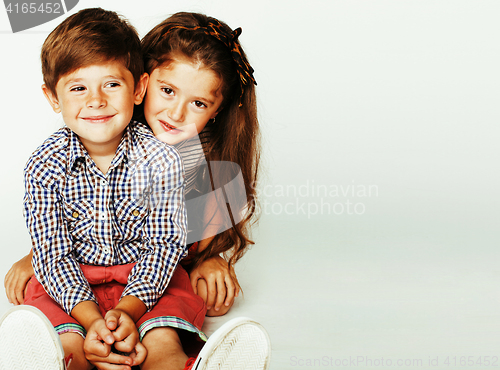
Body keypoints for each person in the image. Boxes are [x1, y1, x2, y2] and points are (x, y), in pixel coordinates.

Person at [2, 9, 269, 370]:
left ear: (218, 111)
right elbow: (58, 242)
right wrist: (35, 257)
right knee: (63, 333)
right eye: (168, 90)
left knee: (162, 333)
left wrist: (211, 257)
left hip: (148, 281)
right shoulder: (72, 146)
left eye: (199, 103)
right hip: (78, 278)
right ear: (144, 83)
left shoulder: (211, 177)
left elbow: (169, 248)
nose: (175, 113)